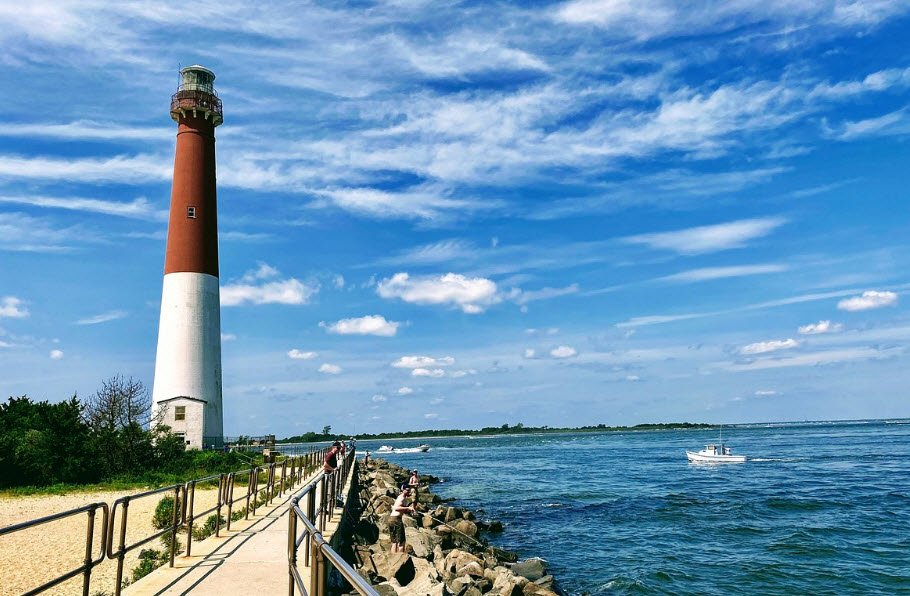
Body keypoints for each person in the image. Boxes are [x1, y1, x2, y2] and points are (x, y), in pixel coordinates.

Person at [388, 485, 414, 553]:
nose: (409, 492)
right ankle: (401, 556)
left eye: (409, 490)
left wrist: (408, 510)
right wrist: (408, 508)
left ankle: (393, 557)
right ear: (403, 490)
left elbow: (400, 509)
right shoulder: (402, 498)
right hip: (396, 520)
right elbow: (396, 508)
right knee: (401, 541)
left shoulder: (401, 497)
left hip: (392, 519)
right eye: (407, 490)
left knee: (394, 541)